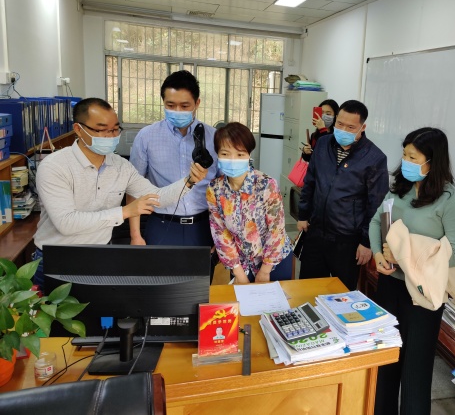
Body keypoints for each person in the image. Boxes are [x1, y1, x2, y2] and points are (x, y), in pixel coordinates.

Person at [33, 98, 207, 290]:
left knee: (100, 309)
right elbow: (66, 223)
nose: (111, 136)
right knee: (51, 310)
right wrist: (125, 212)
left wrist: (189, 181)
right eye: (102, 130)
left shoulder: (121, 166)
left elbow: (157, 197)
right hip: (56, 260)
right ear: (78, 129)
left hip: (101, 257)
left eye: (116, 129)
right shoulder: (54, 166)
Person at [369, 127, 455, 415]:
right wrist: (378, 254)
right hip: (390, 285)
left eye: (413, 157)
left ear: (432, 161)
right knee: (386, 359)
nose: (406, 162)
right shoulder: (398, 189)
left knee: (415, 368)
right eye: (404, 155)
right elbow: (378, 222)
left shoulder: (449, 199)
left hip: (423, 293)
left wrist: (404, 256)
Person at [297, 100, 388, 290]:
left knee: (342, 294)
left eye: (350, 127)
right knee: (308, 288)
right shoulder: (323, 144)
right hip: (316, 231)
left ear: (362, 127)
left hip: (347, 240)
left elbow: (376, 204)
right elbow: (310, 181)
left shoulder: (375, 158)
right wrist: (303, 214)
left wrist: (367, 242)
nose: (343, 130)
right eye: (339, 123)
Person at [128, 70, 218, 248]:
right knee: (158, 267)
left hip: (204, 226)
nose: (177, 111)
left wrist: (223, 236)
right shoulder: (147, 136)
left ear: (197, 103)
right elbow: (133, 187)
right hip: (161, 224)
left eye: (184, 106)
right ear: (163, 102)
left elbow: (226, 189)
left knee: (202, 268)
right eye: (170, 105)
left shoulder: (215, 138)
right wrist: (135, 235)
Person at [207, 122, 293, 283]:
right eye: (225, 153)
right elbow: (220, 233)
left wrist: (265, 271)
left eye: (240, 154)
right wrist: (239, 274)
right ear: (217, 154)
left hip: (274, 262)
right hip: (240, 265)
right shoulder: (215, 189)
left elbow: (276, 230)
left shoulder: (266, 184)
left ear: (249, 154)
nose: (232, 160)